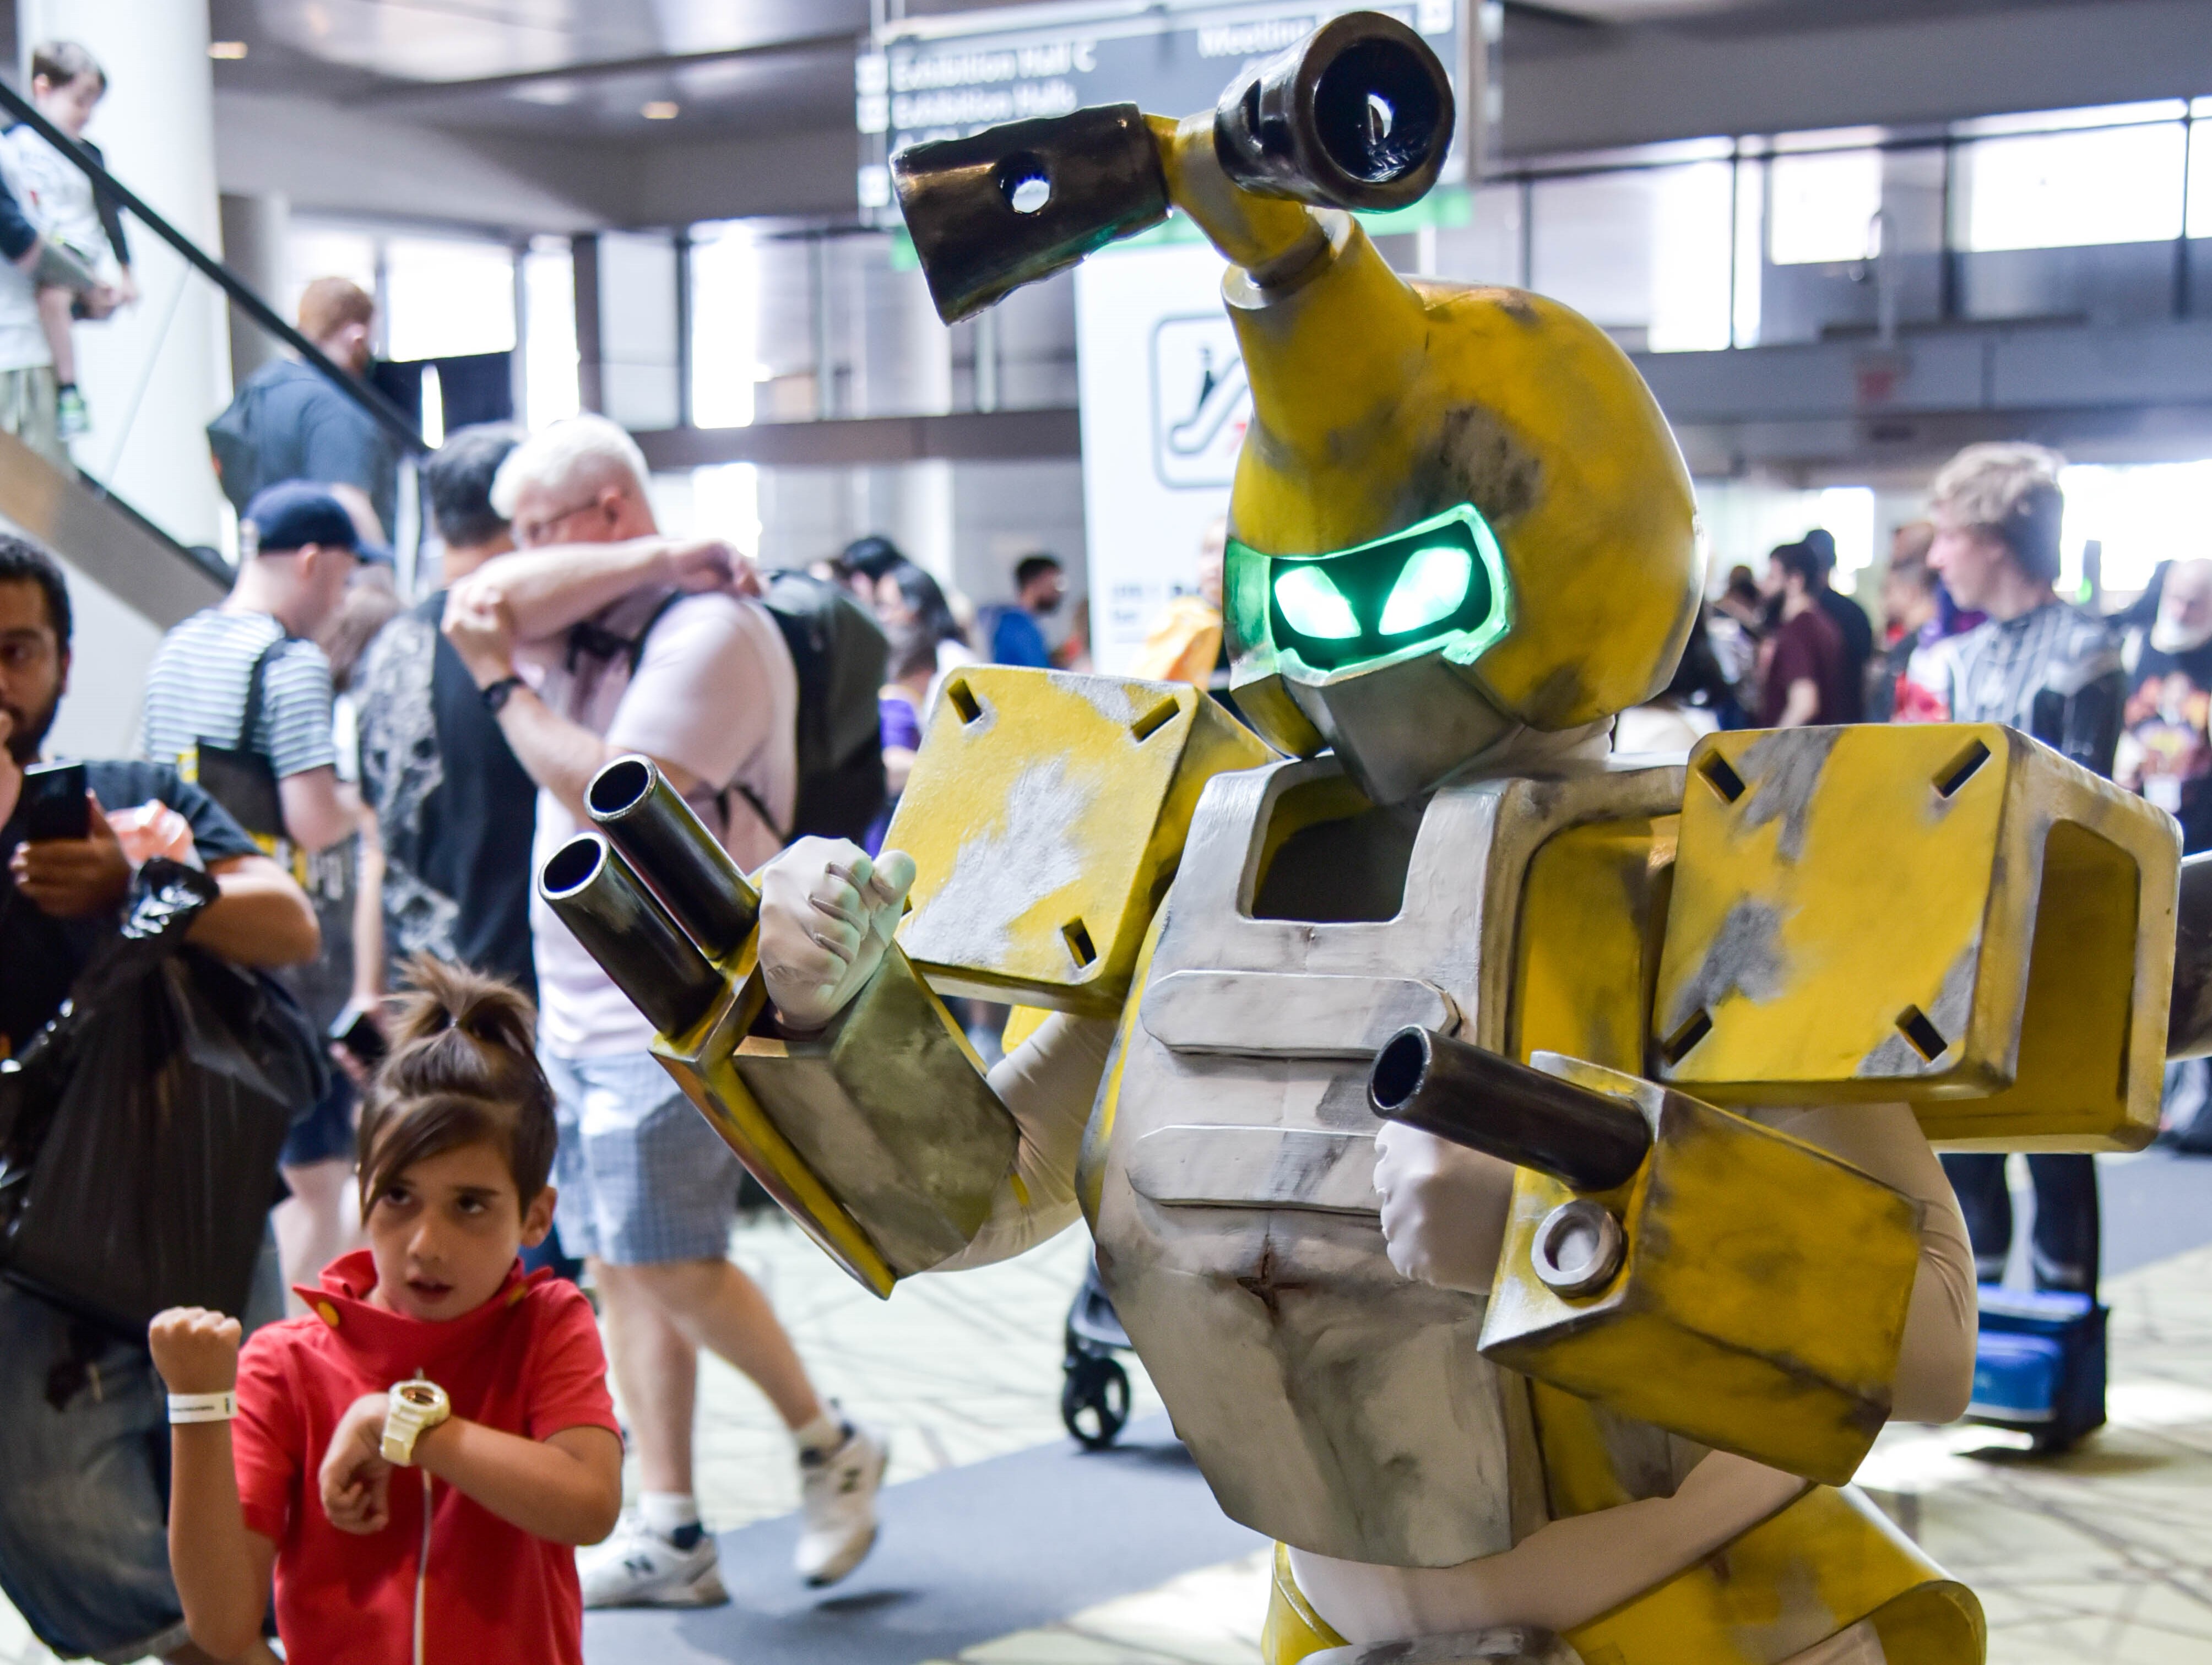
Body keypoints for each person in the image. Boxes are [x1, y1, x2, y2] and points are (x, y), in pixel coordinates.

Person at [440, 414, 886, 1606]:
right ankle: (675, 1525)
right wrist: (656, 555)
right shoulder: (621, 600)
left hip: (680, 1004)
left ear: (604, 516)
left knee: (675, 1258)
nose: (518, 561)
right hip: (585, 1012)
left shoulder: (713, 628)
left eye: (542, 533)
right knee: (623, 1265)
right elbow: (483, 597)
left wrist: (502, 687)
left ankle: (830, 1439)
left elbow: (608, 795)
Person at [0, 532, 314, 1665]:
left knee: (259, 1450)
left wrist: (141, 883)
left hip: (200, 1193)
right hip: (25, 1248)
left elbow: (290, 920)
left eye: (18, 648)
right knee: (51, 1503)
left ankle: (262, 1634)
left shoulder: (128, 799)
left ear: (66, 662)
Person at [149, 957, 625, 1664]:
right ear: (363, 1185)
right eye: (399, 1196)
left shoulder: (547, 1320)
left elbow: (589, 1503)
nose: (426, 1244)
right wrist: (195, 1405)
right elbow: (222, 1628)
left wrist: (399, 1423)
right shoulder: (284, 1362)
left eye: (469, 1203)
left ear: (535, 1216)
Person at [1899, 441, 2122, 1297]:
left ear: (1995, 538)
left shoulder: (2085, 647)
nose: (1938, 555)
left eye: (1950, 534)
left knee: (2063, 1140)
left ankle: (2065, 1355)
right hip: (1959, 933)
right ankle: (1982, 1341)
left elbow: (2086, 805)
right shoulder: (1950, 657)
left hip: (2059, 931)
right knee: (1972, 1143)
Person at [139, 482, 368, 1298]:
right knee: (318, 1175)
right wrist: (364, 807)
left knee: (241, 1170)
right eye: (342, 579)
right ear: (312, 561)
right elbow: (311, 818)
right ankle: (280, 1366)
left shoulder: (178, 648)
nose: (341, 601)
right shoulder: (291, 661)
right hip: (284, 962)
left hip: (193, 939)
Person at [354, 424, 540, 999]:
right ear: (523, 514)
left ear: (437, 522)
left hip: (423, 995)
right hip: (518, 994)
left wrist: (370, 990)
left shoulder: (385, 650)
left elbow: (375, 841)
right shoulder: (524, 644)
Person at [6, 40, 137, 442]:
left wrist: (122, 274)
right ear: (44, 88)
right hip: (38, 270)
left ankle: (69, 390)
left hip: (74, 253)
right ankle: (69, 388)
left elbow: (110, 216)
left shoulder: (88, 155)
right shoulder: (13, 146)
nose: (86, 113)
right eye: (79, 100)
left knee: (56, 299)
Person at [208, 278, 399, 539]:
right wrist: (381, 574)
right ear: (357, 337)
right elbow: (351, 505)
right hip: (325, 570)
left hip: (268, 561)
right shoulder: (334, 407)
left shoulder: (254, 392)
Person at [2116, 556, 2212, 854]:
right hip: (2138, 824)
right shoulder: (2134, 646)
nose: (2180, 611)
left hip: (2200, 834)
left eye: (2193, 603)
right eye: (2176, 598)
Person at [1755, 541, 1849, 728]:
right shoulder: (1823, 624)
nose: (1764, 586)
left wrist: (1771, 749)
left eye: (1772, 577)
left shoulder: (1798, 630)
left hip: (1796, 753)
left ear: (1796, 580)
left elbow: (1804, 704)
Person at [1132, 517, 1226, 686]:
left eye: (1226, 553)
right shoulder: (1183, 617)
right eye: (1209, 551)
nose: (1216, 564)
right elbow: (1146, 685)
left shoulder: (1252, 627)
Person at [871, 557, 973, 711]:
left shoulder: (952, 661)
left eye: (888, 606)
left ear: (916, 609)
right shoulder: (895, 657)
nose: (883, 617)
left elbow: (970, 721)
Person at [1867, 523, 1939, 723]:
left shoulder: (1922, 647)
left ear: (1909, 591)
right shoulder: (1910, 642)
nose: (1885, 601)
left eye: (1888, 591)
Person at [1799, 528, 1873, 722]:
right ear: (1834, 561)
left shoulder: (1797, 618)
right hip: (1849, 722)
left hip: (1804, 731)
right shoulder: (1856, 613)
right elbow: (1866, 675)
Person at [988, 552, 1065, 668]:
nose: (1059, 591)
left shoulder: (1016, 623)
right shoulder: (1018, 626)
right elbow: (1038, 674)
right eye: (1055, 583)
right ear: (1036, 582)